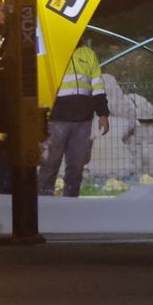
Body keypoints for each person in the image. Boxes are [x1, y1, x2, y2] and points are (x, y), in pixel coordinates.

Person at [39, 44, 111, 197]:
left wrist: (103, 114)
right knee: (50, 164)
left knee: (76, 167)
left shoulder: (88, 53)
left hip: (83, 120)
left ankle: (71, 202)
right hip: (56, 119)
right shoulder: (51, 50)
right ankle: (43, 202)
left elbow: (97, 86)